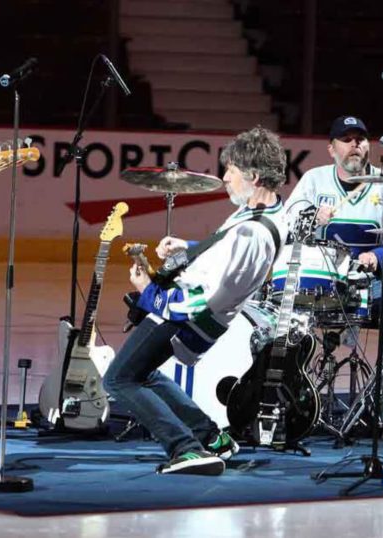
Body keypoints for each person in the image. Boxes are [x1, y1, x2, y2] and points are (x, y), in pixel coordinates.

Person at [103, 126, 288, 476]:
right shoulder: (263, 213)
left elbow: (205, 300)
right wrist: (189, 248)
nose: (225, 178)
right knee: (144, 373)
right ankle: (211, 438)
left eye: (231, 170)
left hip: (184, 316)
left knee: (119, 379)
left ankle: (185, 449)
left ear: (253, 175)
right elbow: (226, 258)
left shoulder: (253, 232)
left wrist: (151, 293)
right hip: (191, 310)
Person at [282, 115, 383, 347]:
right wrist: (311, 216)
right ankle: (293, 377)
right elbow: (287, 224)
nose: (355, 144)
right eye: (346, 139)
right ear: (331, 149)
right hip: (320, 282)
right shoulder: (314, 180)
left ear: (368, 146)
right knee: (282, 301)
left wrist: (378, 257)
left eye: (360, 139)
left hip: (369, 284)